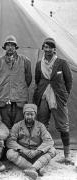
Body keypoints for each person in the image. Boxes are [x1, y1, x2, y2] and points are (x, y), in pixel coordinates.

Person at [33, 37, 73, 165]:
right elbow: (38, 80)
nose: (48, 49)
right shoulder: (39, 64)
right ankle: (43, 152)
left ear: (54, 49)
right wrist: (40, 93)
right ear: (43, 48)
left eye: (50, 47)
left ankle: (67, 156)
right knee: (42, 124)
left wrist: (64, 96)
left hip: (58, 97)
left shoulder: (62, 63)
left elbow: (69, 81)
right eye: (46, 47)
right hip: (43, 95)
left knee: (63, 125)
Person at [6, 104, 56, 180]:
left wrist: (37, 151)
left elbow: (49, 141)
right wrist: (23, 150)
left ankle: (33, 168)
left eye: (32, 114)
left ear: (35, 115)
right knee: (9, 153)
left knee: (53, 150)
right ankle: (37, 168)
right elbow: (10, 141)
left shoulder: (41, 126)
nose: (29, 117)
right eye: (27, 114)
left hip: (37, 153)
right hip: (23, 154)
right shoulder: (17, 126)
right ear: (24, 114)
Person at [0, 35, 32, 129]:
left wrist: (19, 87)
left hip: (19, 97)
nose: (10, 47)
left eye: (12, 45)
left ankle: (16, 142)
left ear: (16, 47)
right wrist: (5, 86)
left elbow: (28, 79)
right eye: (8, 45)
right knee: (5, 123)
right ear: (5, 47)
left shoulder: (25, 61)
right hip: (4, 96)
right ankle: (7, 142)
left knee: (18, 123)